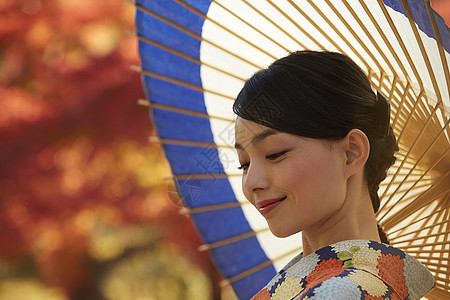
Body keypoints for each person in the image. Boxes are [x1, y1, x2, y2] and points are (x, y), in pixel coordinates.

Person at [233, 51, 435, 300]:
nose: (252, 183)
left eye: (275, 153)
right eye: (244, 164)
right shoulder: (356, 283)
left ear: (351, 153)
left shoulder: (339, 292)